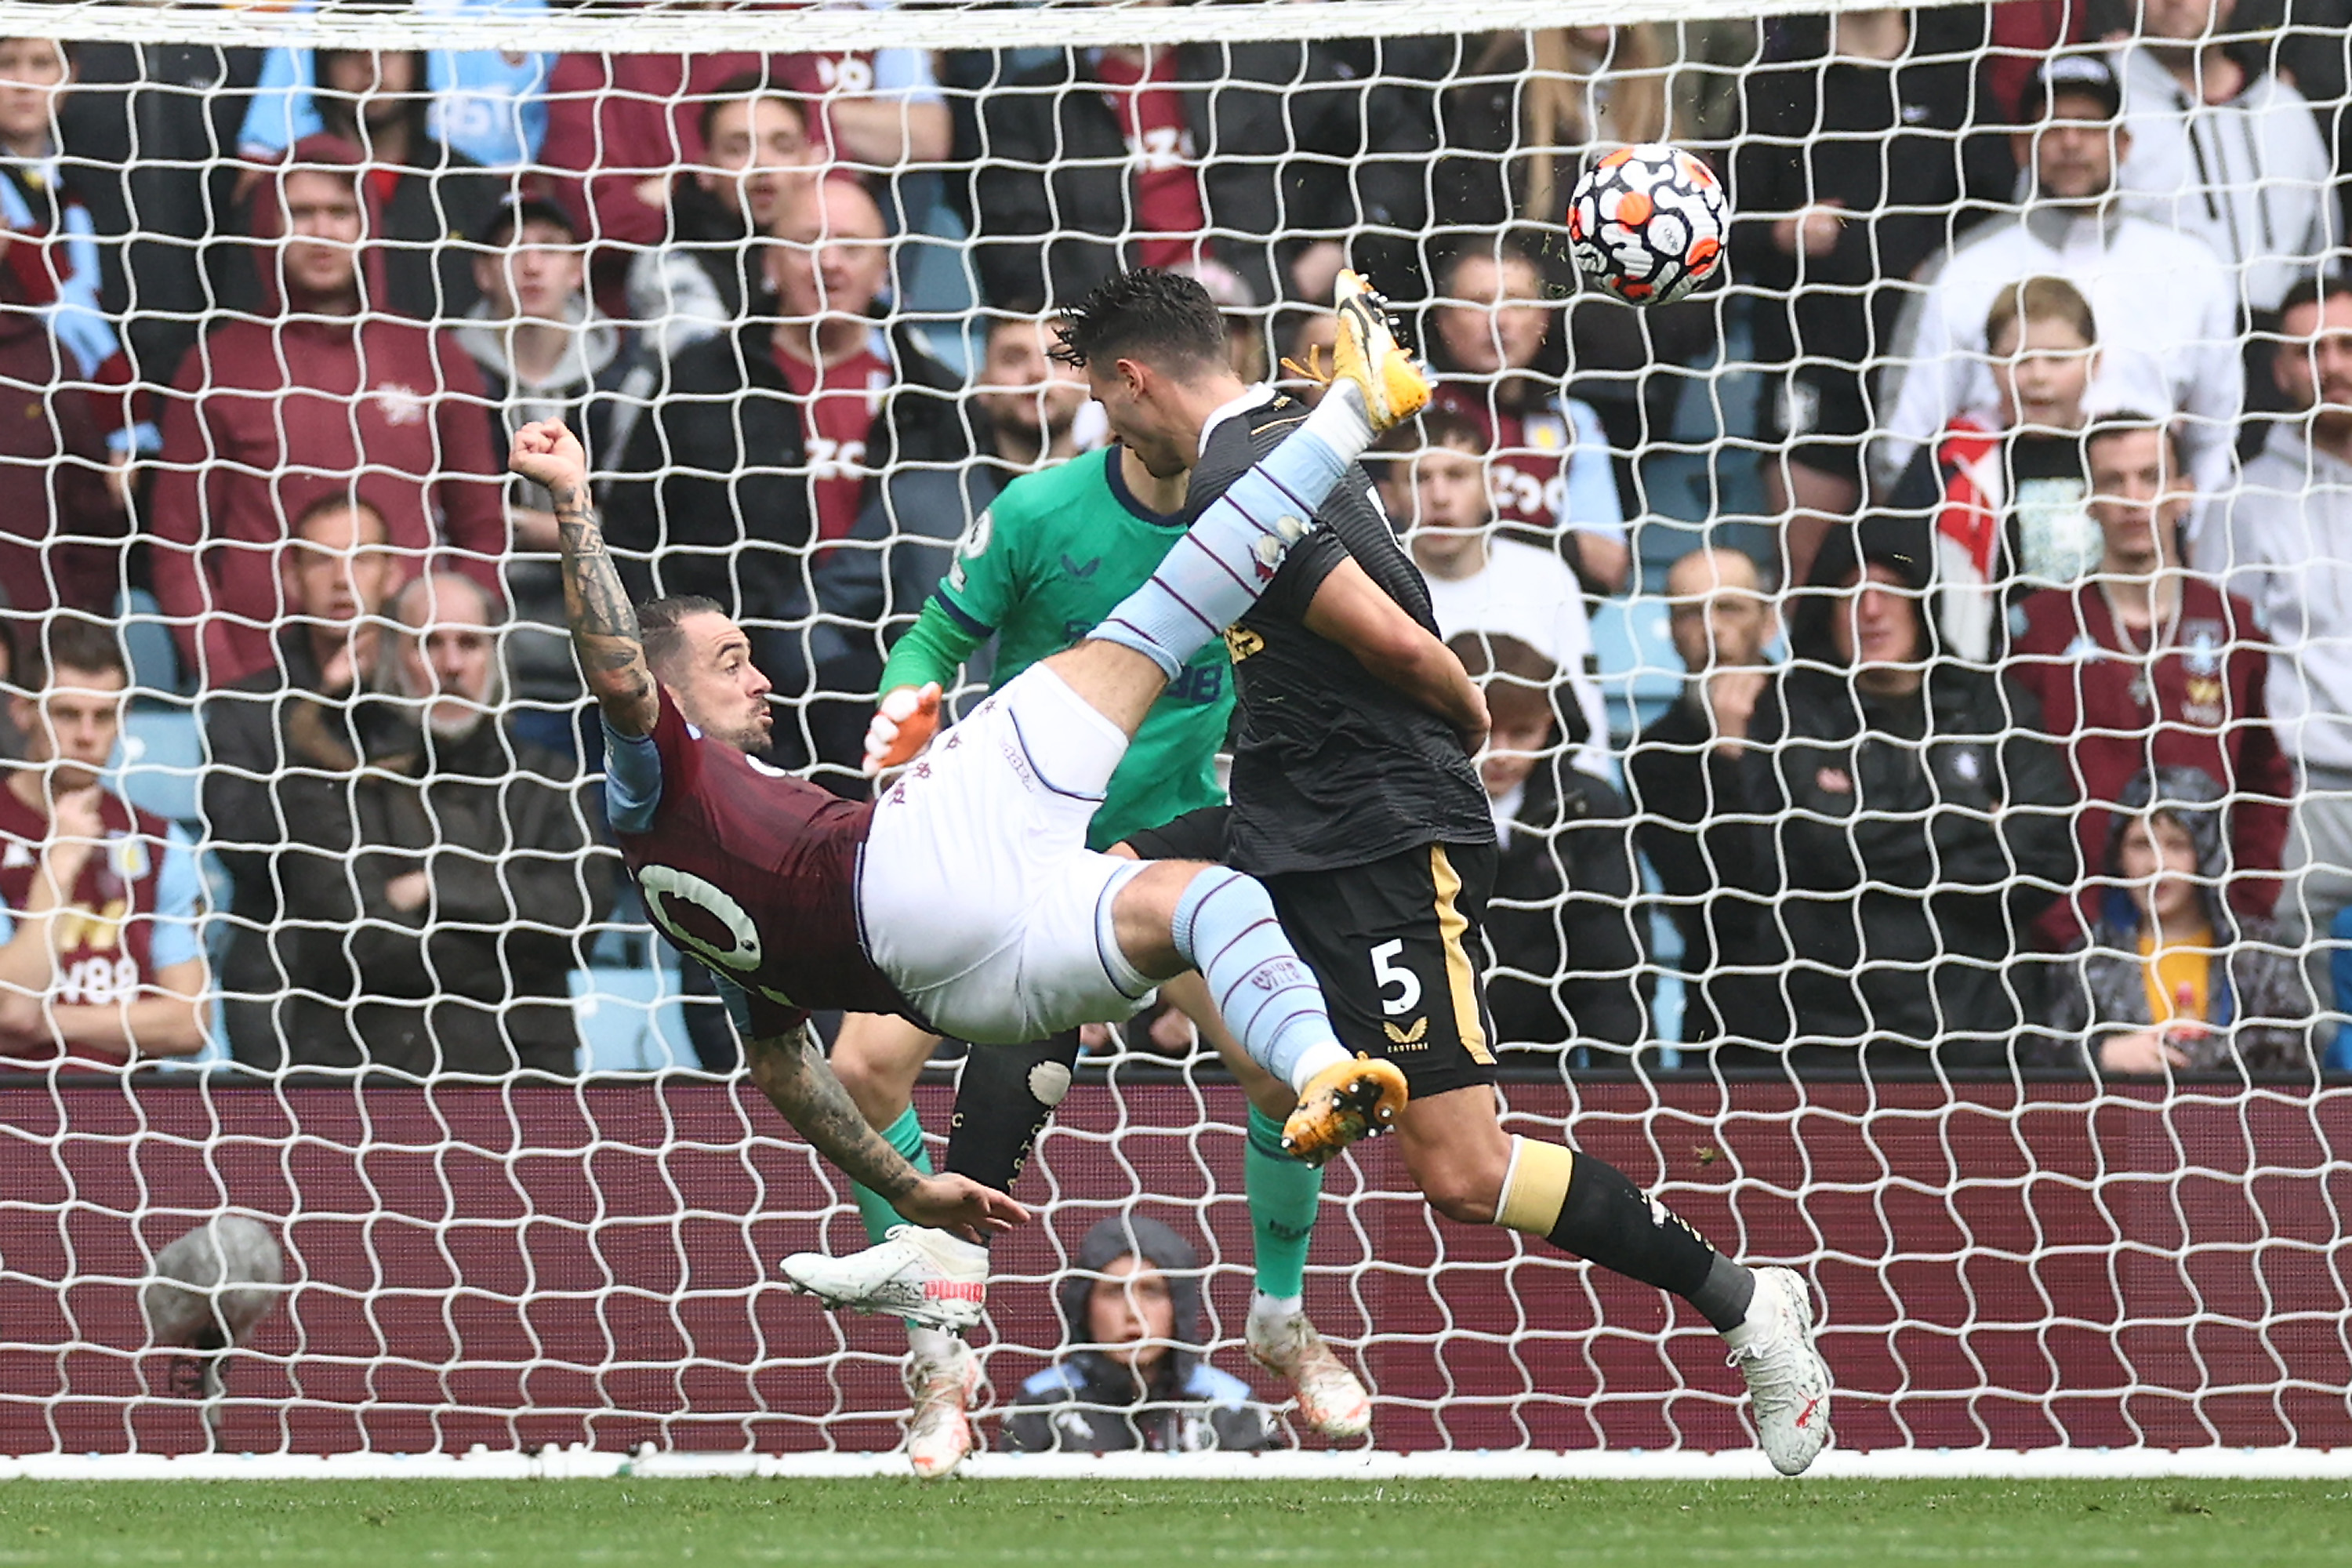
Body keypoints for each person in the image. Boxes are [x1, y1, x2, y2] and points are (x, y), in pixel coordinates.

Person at [805, 268, 1837, 1478]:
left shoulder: (1245, 471)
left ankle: (1749, 1304)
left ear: (1136, 378)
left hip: (1376, 837)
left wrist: (1461, 718)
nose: (1102, 424)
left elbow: (1402, 642)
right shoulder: (1264, 441)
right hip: (1275, 811)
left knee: (1464, 1169)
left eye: (1102, 394)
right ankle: (953, 1256)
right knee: (1066, 918)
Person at [521, 271, 1432, 1269]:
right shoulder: (658, 765)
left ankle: (1322, 1073)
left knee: (1208, 903)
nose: (765, 679)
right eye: (731, 662)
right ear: (661, 696)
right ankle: (1351, 410)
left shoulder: (693, 893)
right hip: (926, 864)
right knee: (1164, 616)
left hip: (963, 979)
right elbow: (615, 668)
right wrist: (574, 500)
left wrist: (911, 1184)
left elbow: (784, 1071)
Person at [826, 284, 1367, 1475]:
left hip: (1170, 848)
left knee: (1291, 1071)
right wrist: (905, 709)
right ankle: (939, 1356)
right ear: (1138, 394)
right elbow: (932, 638)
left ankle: (1280, 1319)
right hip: (1013, 850)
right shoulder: (1039, 510)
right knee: (859, 1070)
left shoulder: (1273, 513)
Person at [603, 176, 963, 776]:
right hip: (728, 683)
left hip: (881, 685)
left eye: (850, 245)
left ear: (885, 267)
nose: (828, 263)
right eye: (806, 242)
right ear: (770, 261)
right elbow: (635, 537)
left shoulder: (932, 395)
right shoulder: (702, 382)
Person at [147, 140, 508, 688]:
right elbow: (179, 546)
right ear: (270, 224)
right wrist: (227, 677)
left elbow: (481, 528)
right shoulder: (215, 365)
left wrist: (451, 647)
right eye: (302, 212)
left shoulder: (435, 357)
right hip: (262, 682)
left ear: (368, 224)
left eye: (341, 212)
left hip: (411, 676)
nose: (323, 231)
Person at [1731, 517, 2080, 1065]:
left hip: (1982, 1035)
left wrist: (1873, 850)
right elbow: (1821, 848)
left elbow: (2046, 857)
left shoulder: (1994, 705)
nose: (1870, 611)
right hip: (1833, 1039)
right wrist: (1969, 814)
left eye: (1889, 590)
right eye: (1850, 593)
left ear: (1921, 600)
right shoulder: (1791, 710)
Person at [258, 572, 613, 1076]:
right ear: (392, 657)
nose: (450, 665)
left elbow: (579, 924)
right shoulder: (337, 778)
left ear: (494, 655)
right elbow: (359, 946)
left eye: (469, 643)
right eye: (429, 643)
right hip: (370, 1075)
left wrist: (436, 887)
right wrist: (523, 950)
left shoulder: (551, 780)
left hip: (529, 1074)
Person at [1874, 52, 2240, 506]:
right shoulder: (1961, 269)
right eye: (2051, 127)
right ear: (2020, 145)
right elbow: (1900, 445)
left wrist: (2187, 535)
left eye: (2088, 125)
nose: (2070, 143)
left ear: (2123, 144)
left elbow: (2217, 442)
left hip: (2150, 543)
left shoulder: (2190, 266)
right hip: (1997, 546)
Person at [1732, 5, 2015, 565]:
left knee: (1918, 566)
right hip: (1811, 361)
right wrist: (1781, 233)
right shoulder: (1777, 82)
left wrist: (1938, 262)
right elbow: (1720, 225)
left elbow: (1999, 215)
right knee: (1809, 572)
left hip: (1929, 371)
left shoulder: (1953, 77)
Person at [2009, 417, 2291, 949]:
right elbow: (2016, 793)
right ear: (2088, 500)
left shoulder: (2233, 624)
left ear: (2184, 493)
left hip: (2207, 936)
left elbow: (2264, 782)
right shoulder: (2039, 628)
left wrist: (2244, 910)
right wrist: (2059, 925)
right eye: (2113, 482)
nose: (2133, 499)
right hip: (2073, 935)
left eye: (2151, 477)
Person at [199, 495, 399, 1067]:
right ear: (292, 577)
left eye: (362, 559)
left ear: (394, 573)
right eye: (321, 561)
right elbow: (242, 849)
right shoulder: (241, 709)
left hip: (414, 975)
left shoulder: (423, 706)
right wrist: (316, 719)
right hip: (282, 980)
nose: (342, 580)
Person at [2202, 270, 2352, 1000]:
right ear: (2279, 368)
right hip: (2302, 789)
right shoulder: (2244, 500)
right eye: (2309, 349)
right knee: (2292, 1012)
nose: (2331, 365)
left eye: (2347, 344)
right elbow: (2221, 657)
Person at [455, 191, 644, 754]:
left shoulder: (629, 381)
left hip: (604, 598)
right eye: (512, 249)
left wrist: (561, 524)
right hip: (487, 600)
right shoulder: (450, 374)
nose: (532, 264)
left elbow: (643, 517)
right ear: (483, 273)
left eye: (549, 248)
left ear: (578, 268)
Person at [0, 619, 208, 1064]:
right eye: (67, 714)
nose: (88, 736)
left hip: (132, 1112)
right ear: (22, 711)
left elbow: (189, 1022)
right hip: (16, 1106)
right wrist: (58, 867)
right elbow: (12, 1007)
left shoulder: (159, 840)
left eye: (105, 716)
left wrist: (49, 1021)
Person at [2040, 767, 2316, 1077]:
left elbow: (2292, 1049)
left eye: (2177, 845)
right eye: (2141, 844)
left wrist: (2190, 1055)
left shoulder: (2259, 954)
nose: (2156, 865)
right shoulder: (2088, 959)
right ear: (2118, 856)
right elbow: (2045, 1051)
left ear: (2207, 854)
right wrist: (2100, 1053)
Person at [1886, 275, 2106, 661]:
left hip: (2106, 664)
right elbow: (1896, 557)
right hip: (1987, 670)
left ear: (2095, 361)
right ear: (1990, 365)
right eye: (2018, 359)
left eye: (2058, 359)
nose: (2038, 376)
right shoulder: (1953, 458)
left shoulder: (2124, 453)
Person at [1383, 405, 1611, 775]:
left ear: (1492, 489)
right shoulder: (1377, 583)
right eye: (1420, 478)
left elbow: (1587, 722)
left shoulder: (1546, 576)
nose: (1439, 496)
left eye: (1456, 475)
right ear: (1389, 498)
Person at [1447, 631, 1646, 1053]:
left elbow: (1612, 963)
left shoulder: (1586, 808)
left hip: (1552, 1060)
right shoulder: (1406, 805)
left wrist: (1623, 1088)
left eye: (1521, 733)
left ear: (1552, 726)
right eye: (1483, 734)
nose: (1499, 754)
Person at [1624, 546, 1786, 1050]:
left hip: (1839, 1004)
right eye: (1690, 612)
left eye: (1730, 608)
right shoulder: (1655, 753)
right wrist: (1729, 756)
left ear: (1769, 621)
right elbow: (1719, 901)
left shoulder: (1826, 720)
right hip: (1728, 1012)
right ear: (1671, 630)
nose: (1711, 628)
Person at [2112, 1, 2336, 339]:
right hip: (2153, 348)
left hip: (2284, 358)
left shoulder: (2284, 107)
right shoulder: (2096, 110)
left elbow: (2323, 255)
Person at [1422, 240, 1630, 594]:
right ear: (1443, 319)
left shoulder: (1572, 421)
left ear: (1543, 320)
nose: (1499, 321)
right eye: (1478, 303)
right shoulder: (1414, 400)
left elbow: (1609, 564)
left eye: (1517, 303)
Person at [1001, 1214, 1281, 1455]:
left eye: (1152, 1291)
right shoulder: (1042, 1403)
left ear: (1179, 1307)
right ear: (1085, 1305)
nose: (1133, 1312)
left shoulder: (1231, 1404)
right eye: (1113, 1292)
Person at [622, 74, 820, 363]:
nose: (762, 164)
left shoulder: (840, 249)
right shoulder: (669, 263)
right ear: (705, 170)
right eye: (738, 149)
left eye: (783, 147)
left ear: (812, 162)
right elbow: (703, 370)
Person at [235, 1, 550, 172]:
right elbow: (261, 160)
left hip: (485, 225)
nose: (371, 64)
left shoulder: (527, 13)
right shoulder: (321, 11)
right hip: (343, 214)